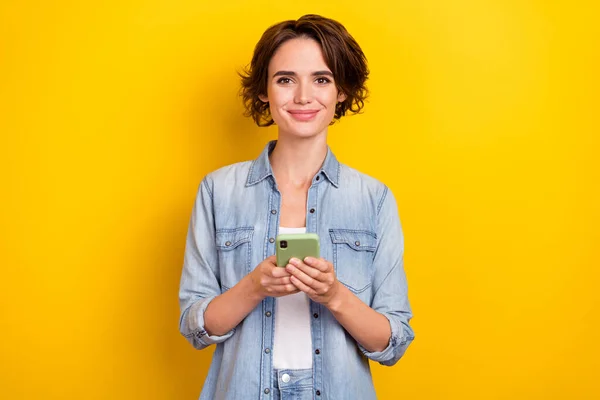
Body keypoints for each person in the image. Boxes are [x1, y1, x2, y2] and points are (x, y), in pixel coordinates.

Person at [179, 14, 415, 400]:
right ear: (263, 91)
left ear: (341, 91)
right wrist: (255, 286)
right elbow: (195, 327)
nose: (303, 96)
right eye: (285, 79)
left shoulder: (373, 199)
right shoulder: (218, 191)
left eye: (321, 79)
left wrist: (335, 295)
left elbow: (394, 341)